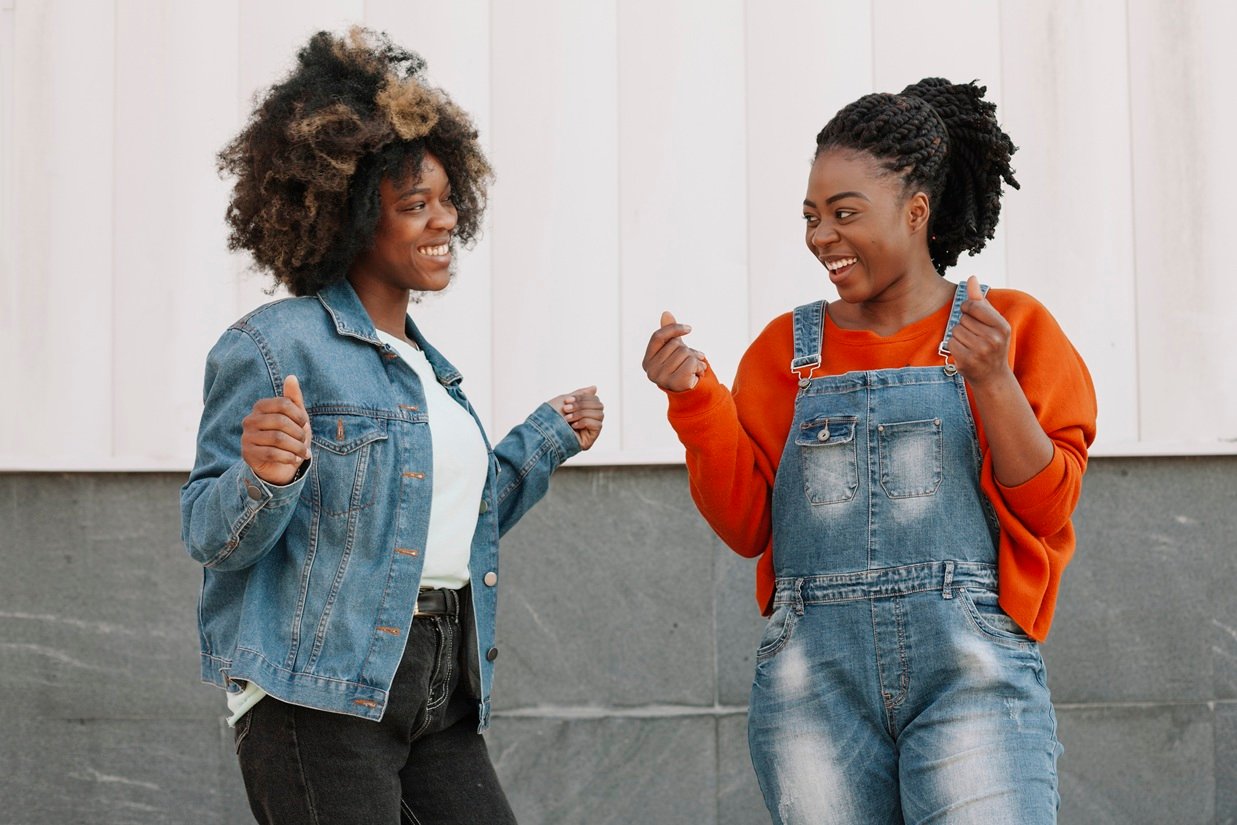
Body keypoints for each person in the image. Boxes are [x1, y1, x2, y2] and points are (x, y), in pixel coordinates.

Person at [642, 78, 1095, 823]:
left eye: (844, 213)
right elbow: (749, 527)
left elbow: (1048, 507)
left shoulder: (1010, 328)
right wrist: (693, 401)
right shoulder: (785, 351)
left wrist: (991, 379)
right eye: (811, 216)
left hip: (972, 675)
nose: (822, 235)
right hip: (812, 687)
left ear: (915, 211)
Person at [180, 28, 603, 824]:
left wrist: (547, 438)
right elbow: (208, 532)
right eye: (415, 205)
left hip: (439, 685)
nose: (444, 220)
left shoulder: (429, 370)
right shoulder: (275, 346)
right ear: (346, 216)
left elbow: (449, 523)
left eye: (447, 199)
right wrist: (262, 478)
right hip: (317, 691)